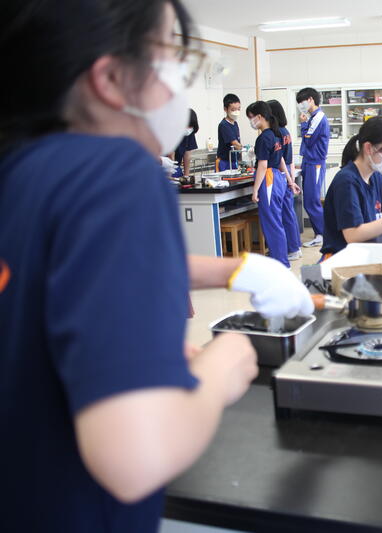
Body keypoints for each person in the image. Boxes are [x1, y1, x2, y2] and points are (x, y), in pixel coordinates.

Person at [0, 3, 313, 532]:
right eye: (170, 50)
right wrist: (223, 365)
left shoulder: (23, 169)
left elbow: (83, 269)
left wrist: (236, 271)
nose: (179, 76)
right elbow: (134, 457)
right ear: (110, 78)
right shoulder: (113, 171)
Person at [319, 117, 382, 258]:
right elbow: (353, 235)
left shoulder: (376, 177)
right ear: (368, 148)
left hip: (368, 253)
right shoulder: (346, 181)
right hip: (342, 258)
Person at [246, 101, 296, 267]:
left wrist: (255, 190)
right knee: (276, 221)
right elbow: (281, 160)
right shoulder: (276, 134)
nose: (251, 121)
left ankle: (280, 262)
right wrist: (289, 181)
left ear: (260, 117)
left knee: (272, 223)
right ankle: (280, 259)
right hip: (278, 179)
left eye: (251, 117)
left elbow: (262, 165)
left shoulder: (263, 138)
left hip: (268, 179)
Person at [266, 99, 303, 261]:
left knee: (284, 213)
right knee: (288, 211)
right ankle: (295, 246)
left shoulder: (276, 133)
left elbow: (279, 158)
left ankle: (292, 248)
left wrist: (289, 179)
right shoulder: (285, 131)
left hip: (280, 173)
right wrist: (291, 177)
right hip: (287, 171)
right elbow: (289, 158)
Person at [295, 87, 330, 248]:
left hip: (315, 163)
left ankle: (322, 234)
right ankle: (320, 234)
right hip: (309, 162)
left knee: (312, 200)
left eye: (301, 102)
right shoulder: (313, 117)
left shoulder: (318, 117)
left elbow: (308, 139)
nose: (300, 106)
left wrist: (303, 124)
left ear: (310, 99)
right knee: (309, 200)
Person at [217, 93, 241, 171]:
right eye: (233, 110)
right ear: (225, 109)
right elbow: (235, 143)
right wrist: (246, 150)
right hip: (225, 162)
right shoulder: (224, 125)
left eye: (238, 109)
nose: (236, 112)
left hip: (234, 161)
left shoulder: (235, 124)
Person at [171, 108, 198, 177]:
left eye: (190, 126)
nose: (188, 128)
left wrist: (186, 175)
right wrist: (169, 175)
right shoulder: (171, 130)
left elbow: (187, 155)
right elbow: (170, 155)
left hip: (177, 167)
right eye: (187, 125)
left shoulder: (190, 132)